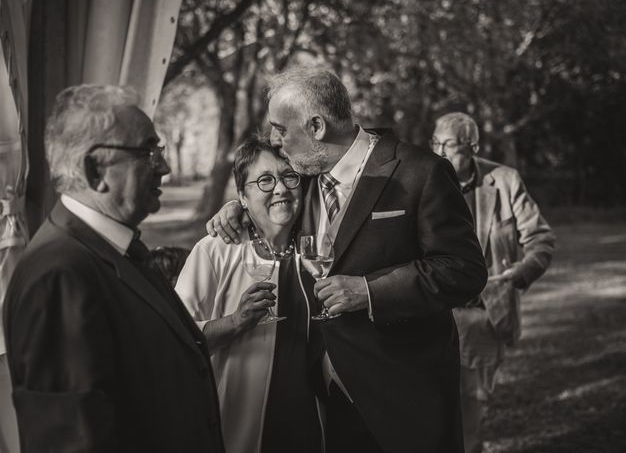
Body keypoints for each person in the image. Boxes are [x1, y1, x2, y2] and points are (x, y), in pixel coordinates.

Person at [208, 67, 488, 452]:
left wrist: (369, 291)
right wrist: (236, 208)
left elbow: (464, 270)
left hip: (404, 394)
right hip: (326, 399)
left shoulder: (420, 173)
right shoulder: (303, 177)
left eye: (281, 129)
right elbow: (271, 198)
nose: (275, 140)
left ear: (317, 126)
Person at [2, 85, 225, 453]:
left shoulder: (114, 248)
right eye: (148, 152)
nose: (165, 167)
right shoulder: (58, 277)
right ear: (95, 170)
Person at [175, 137, 323, 453]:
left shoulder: (319, 251)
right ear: (242, 195)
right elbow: (172, 339)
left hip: (310, 425)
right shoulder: (216, 250)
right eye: (265, 180)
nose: (281, 188)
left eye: (289, 176)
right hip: (236, 424)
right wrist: (235, 322)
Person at [431, 112, 555, 453]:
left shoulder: (504, 180)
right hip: (429, 313)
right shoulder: (424, 178)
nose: (440, 153)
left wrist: (521, 272)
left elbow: (541, 239)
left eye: (450, 146)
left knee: (470, 412)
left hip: (481, 315)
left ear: (472, 146)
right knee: (429, 409)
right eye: (435, 143)